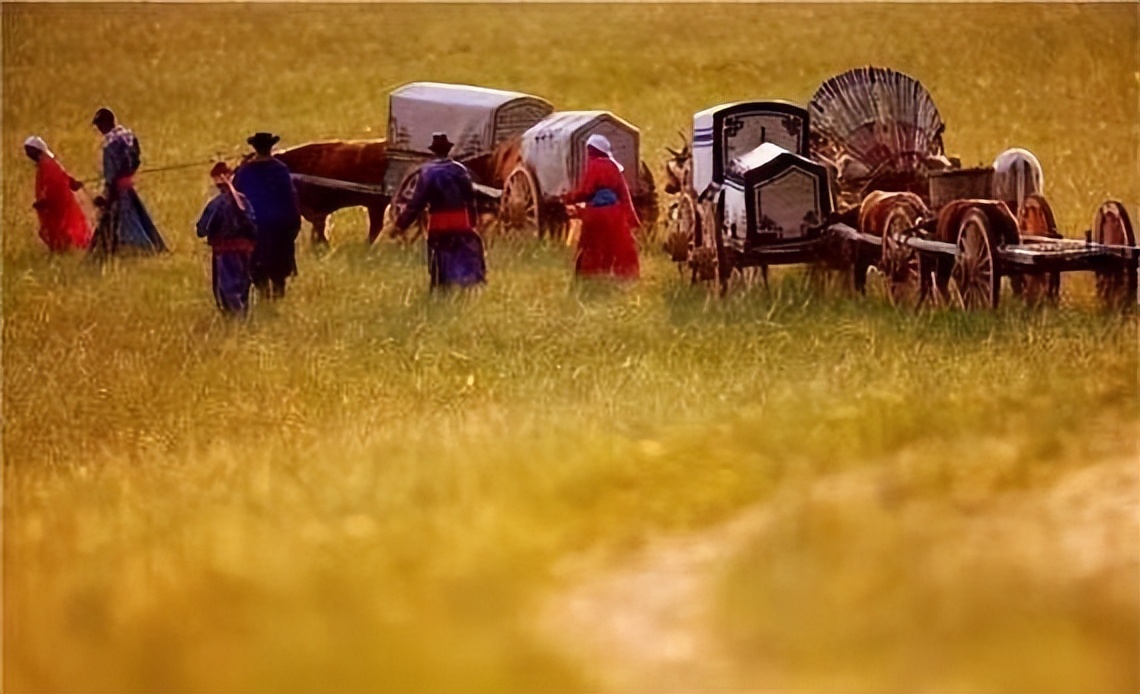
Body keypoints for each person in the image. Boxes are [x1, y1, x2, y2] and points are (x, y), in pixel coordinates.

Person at [393, 132, 486, 289]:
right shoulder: (460, 169)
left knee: (439, 256)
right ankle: (466, 282)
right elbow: (469, 197)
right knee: (463, 252)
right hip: (460, 220)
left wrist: (402, 223)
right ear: (448, 150)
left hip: (439, 222)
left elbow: (417, 202)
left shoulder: (427, 172)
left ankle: (441, 286)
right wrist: (472, 219)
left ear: (433, 151)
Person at [89, 108, 167, 257]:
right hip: (127, 184)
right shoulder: (128, 135)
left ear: (106, 123)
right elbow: (136, 160)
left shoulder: (109, 144)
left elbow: (111, 176)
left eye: (99, 125)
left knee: (120, 222)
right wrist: (127, 175)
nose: (99, 129)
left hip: (117, 189)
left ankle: (136, 250)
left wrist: (106, 196)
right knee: (137, 217)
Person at [233, 132, 301, 300]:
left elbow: (236, 196)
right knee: (279, 259)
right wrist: (294, 221)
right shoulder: (280, 169)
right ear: (271, 148)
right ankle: (278, 292)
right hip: (279, 223)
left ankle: (263, 292)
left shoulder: (245, 171)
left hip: (254, 223)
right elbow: (290, 196)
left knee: (257, 261)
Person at [563, 134, 640, 280]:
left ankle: (592, 275)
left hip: (597, 214)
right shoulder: (614, 167)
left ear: (592, 151)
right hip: (615, 214)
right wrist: (631, 218)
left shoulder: (594, 166)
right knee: (618, 245)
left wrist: (570, 197)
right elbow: (623, 193)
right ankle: (623, 275)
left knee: (592, 244)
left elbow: (587, 191)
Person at [196, 162, 258, 316]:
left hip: (225, 253)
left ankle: (236, 319)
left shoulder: (216, 204)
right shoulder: (245, 201)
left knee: (227, 288)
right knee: (244, 284)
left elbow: (201, 230)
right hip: (246, 252)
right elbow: (253, 225)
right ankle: (243, 316)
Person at [24, 136, 92, 252]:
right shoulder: (47, 163)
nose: (28, 154)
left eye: (30, 150)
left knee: (61, 228)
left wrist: (45, 201)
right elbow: (63, 177)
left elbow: (54, 184)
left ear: (37, 149)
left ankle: (65, 250)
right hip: (55, 203)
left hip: (57, 204)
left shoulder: (47, 164)